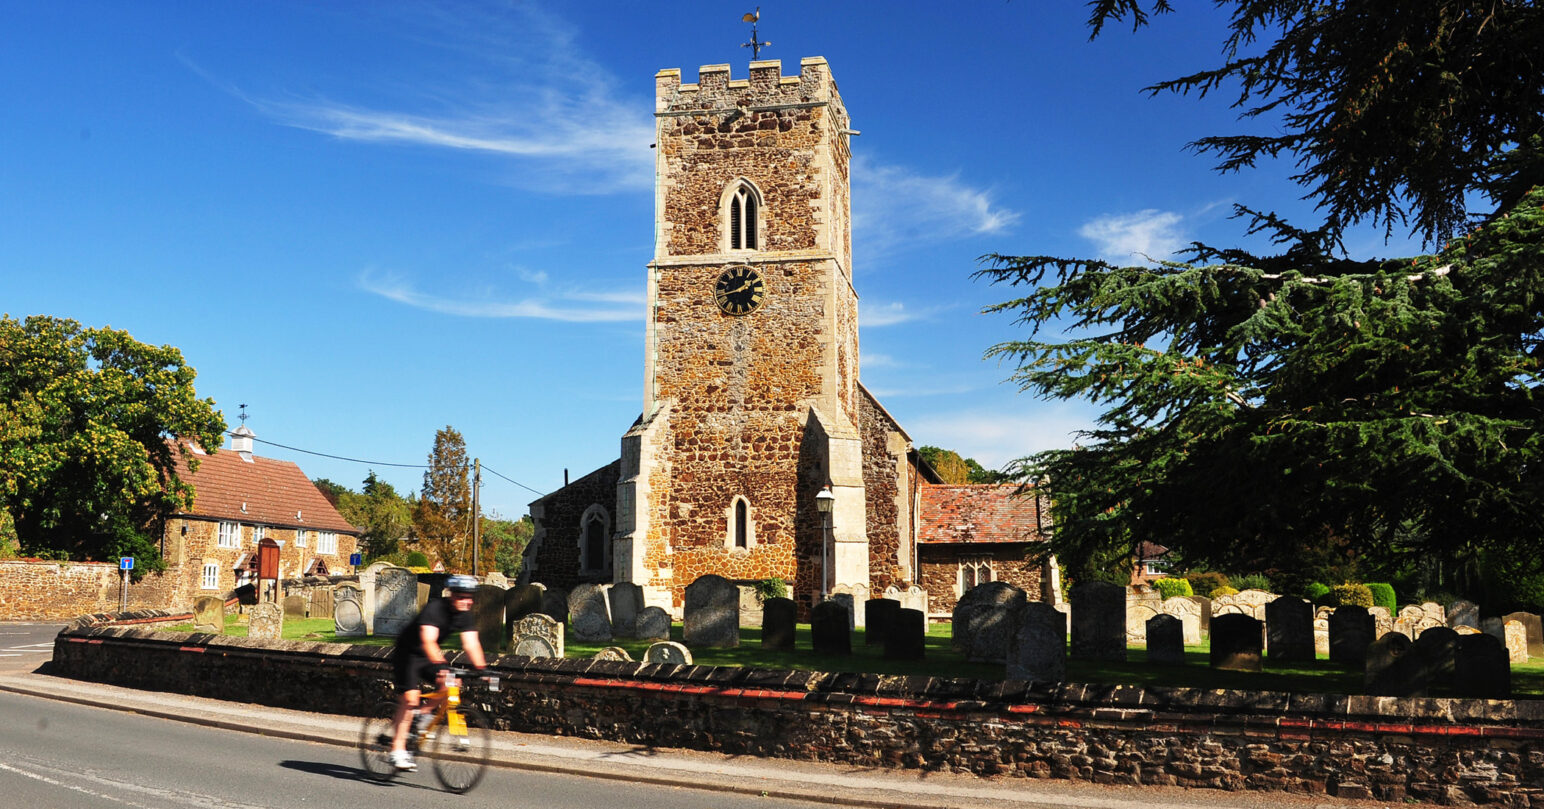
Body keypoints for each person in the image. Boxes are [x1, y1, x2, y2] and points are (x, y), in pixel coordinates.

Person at [388, 573, 487, 771]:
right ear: (451, 595)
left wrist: (483, 668)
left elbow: (471, 643)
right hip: (408, 654)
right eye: (461, 596)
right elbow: (428, 640)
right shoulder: (436, 609)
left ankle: (423, 715)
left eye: (470, 597)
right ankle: (397, 750)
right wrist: (442, 665)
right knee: (410, 699)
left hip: (428, 656)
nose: (467, 601)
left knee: (452, 684)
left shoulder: (465, 615)